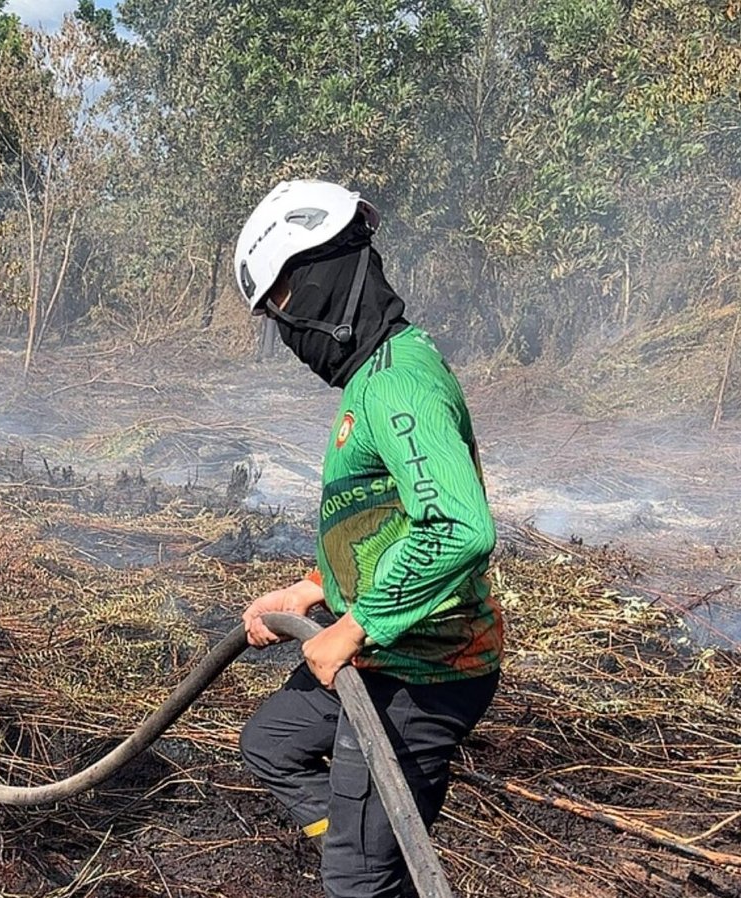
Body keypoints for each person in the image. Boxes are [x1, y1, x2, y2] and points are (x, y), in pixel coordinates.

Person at [230, 181, 504, 897]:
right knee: (273, 743)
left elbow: (459, 527)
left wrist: (354, 626)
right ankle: (375, 861)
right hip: (380, 654)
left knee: (356, 880)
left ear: (329, 274)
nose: (287, 329)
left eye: (285, 299)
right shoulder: (372, 379)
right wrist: (313, 588)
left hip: (418, 670)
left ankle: (367, 870)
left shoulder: (395, 387)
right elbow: (381, 516)